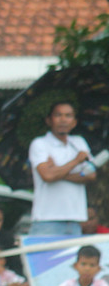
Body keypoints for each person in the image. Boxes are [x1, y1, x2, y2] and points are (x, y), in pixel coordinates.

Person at [28, 101, 97, 237]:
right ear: (49, 120)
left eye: (68, 116)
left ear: (74, 122)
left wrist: (58, 172)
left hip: (75, 219)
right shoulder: (40, 144)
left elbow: (90, 175)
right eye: (58, 115)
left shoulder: (79, 142)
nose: (63, 120)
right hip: (47, 219)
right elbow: (47, 176)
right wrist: (76, 161)